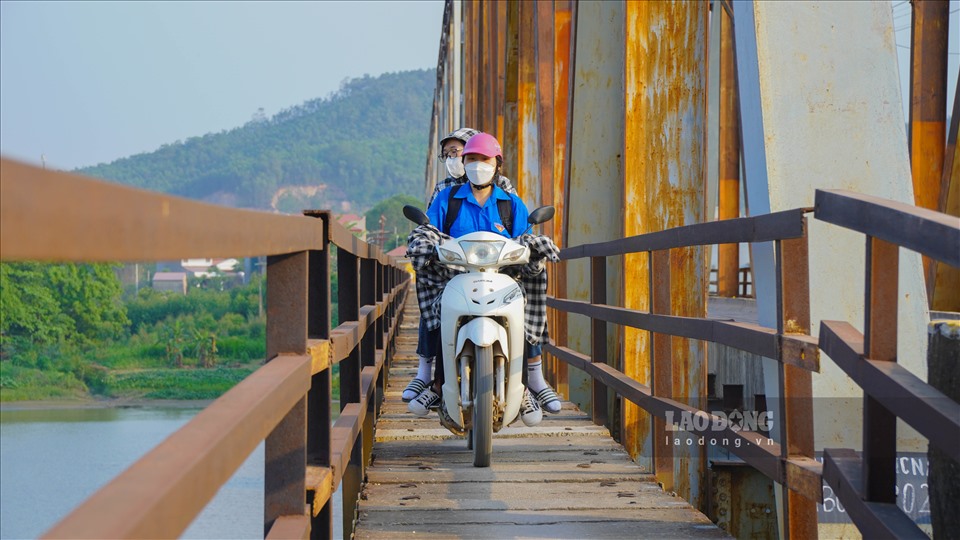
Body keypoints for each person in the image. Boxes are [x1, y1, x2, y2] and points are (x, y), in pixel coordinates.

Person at [406, 132, 561, 427]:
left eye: (484, 160)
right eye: (472, 159)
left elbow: (524, 236)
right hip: (456, 273)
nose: (478, 165)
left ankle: (527, 385)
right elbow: (430, 229)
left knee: (524, 305)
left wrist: (532, 246)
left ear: (497, 164)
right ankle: (437, 387)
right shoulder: (447, 199)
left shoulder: (510, 203)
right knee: (442, 310)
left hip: (500, 274)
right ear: (464, 163)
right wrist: (426, 242)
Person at [401, 128, 518, 403]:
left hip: (495, 267)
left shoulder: (504, 189)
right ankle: (429, 376)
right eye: (448, 155)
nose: (454, 159)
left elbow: (520, 228)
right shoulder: (445, 191)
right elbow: (431, 227)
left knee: (529, 290)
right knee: (433, 293)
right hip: (454, 266)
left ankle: (530, 379)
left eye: (458, 152)